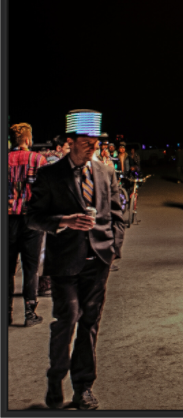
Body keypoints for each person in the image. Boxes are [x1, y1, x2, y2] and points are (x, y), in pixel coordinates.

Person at [27, 116, 124, 410]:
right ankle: (55, 378)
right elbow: (33, 217)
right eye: (86, 143)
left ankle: (83, 388)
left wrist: (113, 246)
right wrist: (64, 221)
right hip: (64, 263)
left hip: (98, 260)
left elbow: (118, 213)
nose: (93, 148)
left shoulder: (106, 172)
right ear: (70, 142)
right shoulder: (50, 175)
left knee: (89, 324)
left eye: (96, 143)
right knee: (67, 319)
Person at [8, 122, 49, 327]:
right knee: (30, 267)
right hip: (31, 220)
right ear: (26, 139)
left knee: (7, 268)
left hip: (7, 220)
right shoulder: (37, 159)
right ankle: (29, 312)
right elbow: (45, 190)